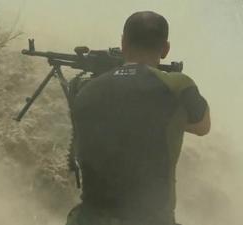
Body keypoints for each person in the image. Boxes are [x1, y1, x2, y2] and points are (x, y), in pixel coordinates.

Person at [66, 11, 211, 225]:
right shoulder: (178, 86)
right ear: (165, 49)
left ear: (123, 43)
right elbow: (202, 126)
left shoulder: (85, 88)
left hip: (87, 218)